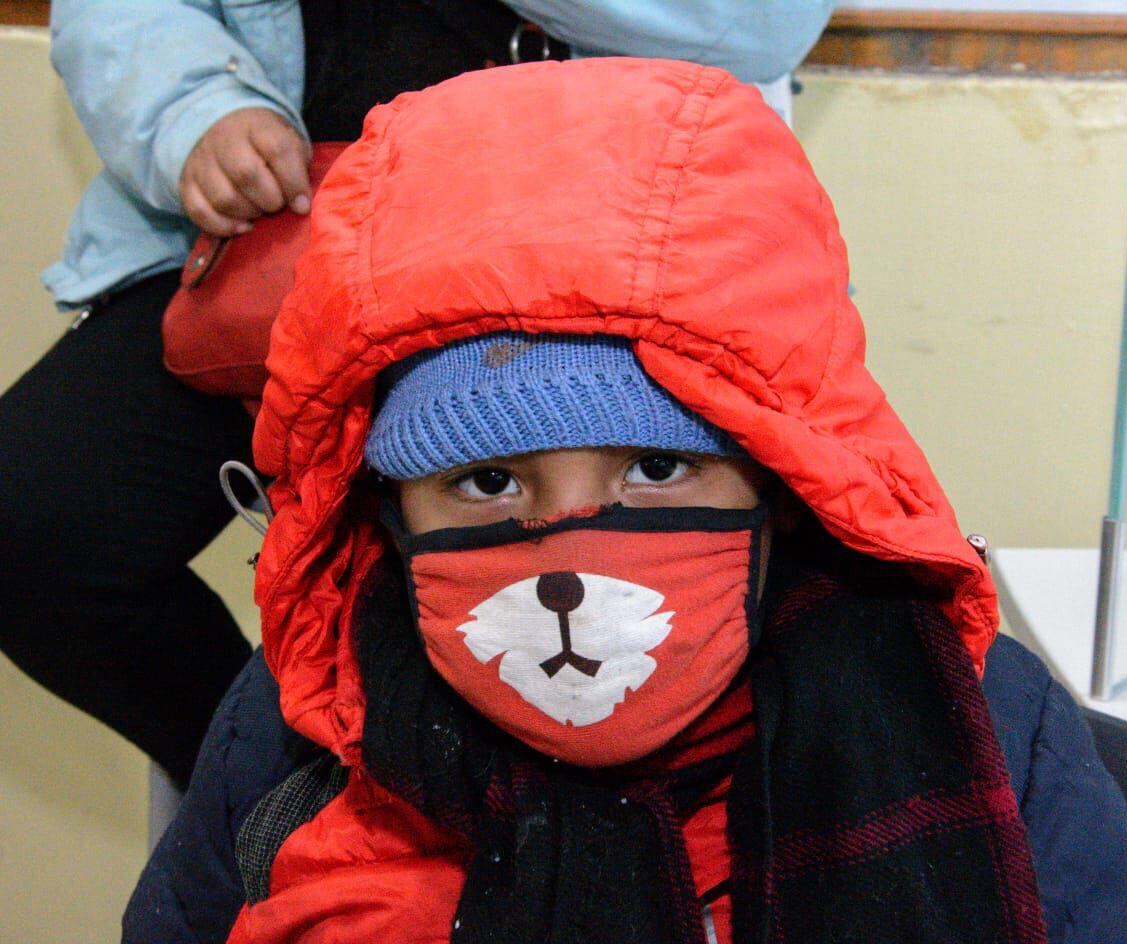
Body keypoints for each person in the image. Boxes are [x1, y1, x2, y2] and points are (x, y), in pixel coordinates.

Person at [101, 59, 1127, 944]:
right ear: (385, 511)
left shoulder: (973, 717)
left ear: (779, 478)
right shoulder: (302, 733)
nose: (570, 552)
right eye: (486, 482)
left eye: (659, 466)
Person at [0, 0, 833, 786]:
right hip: (285, 240)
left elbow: (757, 21)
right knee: (35, 525)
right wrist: (191, 111)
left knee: (583, 586)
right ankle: (273, 799)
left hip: (608, 233)